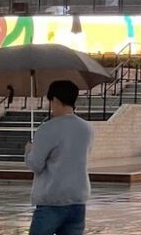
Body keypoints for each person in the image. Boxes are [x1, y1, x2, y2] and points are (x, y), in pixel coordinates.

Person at [25, 80, 94, 235]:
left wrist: (29, 151)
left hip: (52, 200)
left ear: (55, 100)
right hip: (78, 199)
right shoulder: (87, 128)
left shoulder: (48, 128)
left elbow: (36, 165)